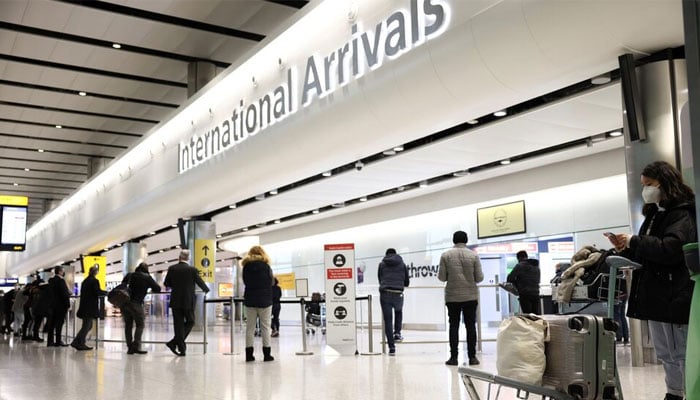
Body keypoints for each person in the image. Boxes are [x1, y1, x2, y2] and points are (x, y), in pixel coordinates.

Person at [607, 160, 695, 400]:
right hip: (657, 295)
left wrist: (635, 241)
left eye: (650, 184)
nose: (646, 189)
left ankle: (688, 392)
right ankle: (675, 393)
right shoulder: (654, 215)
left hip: (676, 293)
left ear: (665, 183)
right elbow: (647, 250)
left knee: (682, 352)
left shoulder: (683, 213)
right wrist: (624, 248)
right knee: (666, 352)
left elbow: (672, 248)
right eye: (643, 185)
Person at [438, 230, 484, 366]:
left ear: (453, 240)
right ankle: (472, 357)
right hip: (470, 296)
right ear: (466, 240)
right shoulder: (473, 256)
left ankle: (453, 357)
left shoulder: (445, 255)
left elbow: (442, 277)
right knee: (470, 326)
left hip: (452, 297)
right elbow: (480, 278)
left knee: (454, 326)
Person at [164, 250, 209, 356]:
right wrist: (206, 289)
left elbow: (167, 283)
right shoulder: (192, 270)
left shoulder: (172, 268)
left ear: (179, 257)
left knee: (178, 324)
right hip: (188, 300)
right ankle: (176, 343)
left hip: (175, 300)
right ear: (188, 258)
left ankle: (178, 345)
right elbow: (200, 282)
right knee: (191, 321)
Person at [242, 245, 275, 362]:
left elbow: (245, 281)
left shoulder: (246, 266)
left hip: (250, 300)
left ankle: (249, 355)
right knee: (265, 328)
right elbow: (271, 282)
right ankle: (267, 355)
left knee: (250, 328)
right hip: (265, 300)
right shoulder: (266, 266)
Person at [121, 262, 161, 354]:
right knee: (140, 324)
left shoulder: (130, 275)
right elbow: (157, 289)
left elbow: (122, 285)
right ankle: (135, 346)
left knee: (128, 325)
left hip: (125, 303)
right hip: (136, 304)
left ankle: (129, 347)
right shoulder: (147, 277)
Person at [377, 248, 410, 356]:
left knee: (388, 320)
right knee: (399, 311)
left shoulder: (382, 264)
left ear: (386, 255)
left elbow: (380, 279)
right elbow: (407, 282)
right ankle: (397, 333)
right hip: (398, 293)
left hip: (385, 293)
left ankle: (392, 348)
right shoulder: (402, 264)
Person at [71, 265, 105, 351]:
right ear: (96, 272)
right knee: (87, 326)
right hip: (90, 307)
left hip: (84, 306)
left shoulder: (85, 281)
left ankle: (79, 342)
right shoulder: (94, 281)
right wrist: (107, 293)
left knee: (87, 326)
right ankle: (77, 342)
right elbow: (97, 291)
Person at [46, 266, 71, 347]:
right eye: (63, 271)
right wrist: (68, 305)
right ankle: (58, 341)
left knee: (52, 324)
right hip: (61, 306)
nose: (63, 273)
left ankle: (50, 342)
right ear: (60, 272)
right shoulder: (61, 281)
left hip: (52, 305)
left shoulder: (51, 281)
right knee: (59, 324)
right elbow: (64, 294)